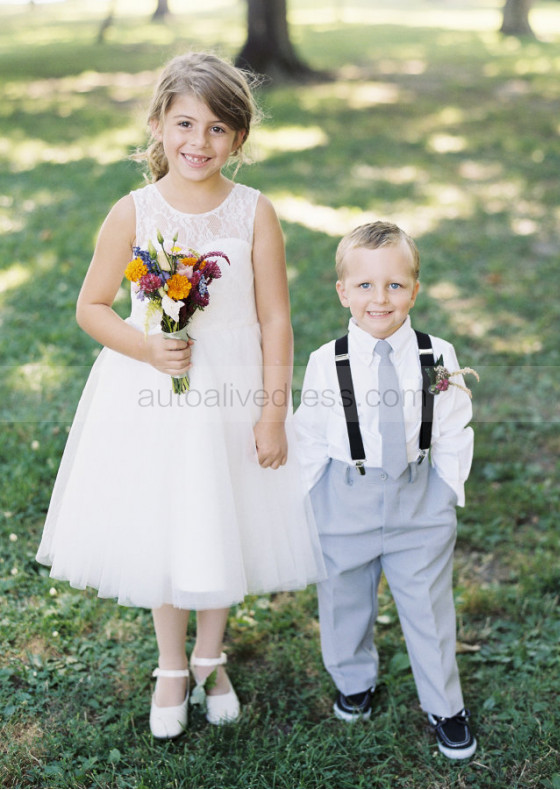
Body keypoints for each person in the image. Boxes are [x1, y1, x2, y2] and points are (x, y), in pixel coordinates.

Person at [36, 51, 325, 740]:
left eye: (219, 129)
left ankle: (210, 655)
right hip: (153, 390)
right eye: (186, 123)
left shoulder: (255, 213)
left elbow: (275, 317)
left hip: (233, 388)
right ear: (160, 124)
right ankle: (171, 664)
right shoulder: (133, 210)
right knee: (168, 519)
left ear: (240, 140)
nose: (200, 142)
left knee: (224, 515)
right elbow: (92, 306)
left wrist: (273, 410)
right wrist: (148, 347)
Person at [294, 221, 477, 760]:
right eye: (366, 286)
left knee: (427, 604)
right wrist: (300, 503)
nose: (381, 299)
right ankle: (354, 681)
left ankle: (446, 705)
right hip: (343, 495)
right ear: (343, 292)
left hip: (419, 498)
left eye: (395, 285)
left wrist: (446, 489)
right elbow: (309, 433)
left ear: (414, 290)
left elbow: (452, 425)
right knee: (343, 596)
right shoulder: (326, 362)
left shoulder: (436, 354)